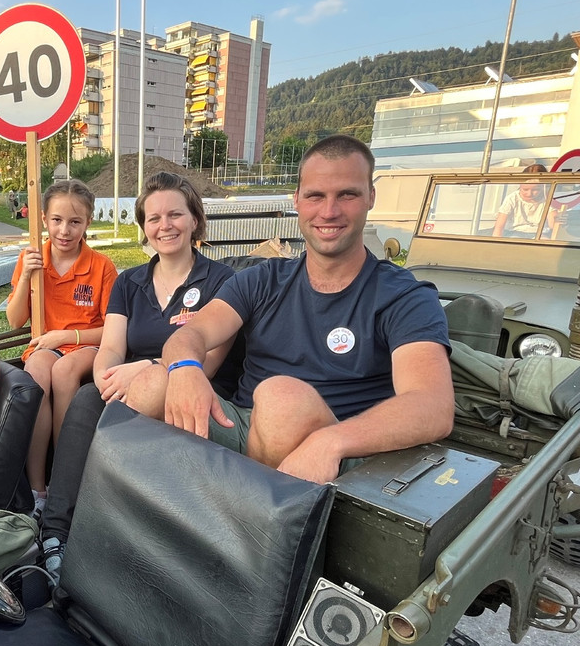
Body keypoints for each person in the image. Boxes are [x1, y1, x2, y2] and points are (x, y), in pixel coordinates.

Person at [156, 134, 455, 485]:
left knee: (281, 400)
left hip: (336, 451)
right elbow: (192, 333)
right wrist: (187, 368)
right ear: (297, 199)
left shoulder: (404, 295)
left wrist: (331, 441)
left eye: (347, 194)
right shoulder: (262, 279)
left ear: (370, 197)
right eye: (316, 196)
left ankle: (237, 525)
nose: (329, 211)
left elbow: (432, 405)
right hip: (243, 427)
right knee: (147, 381)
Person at [39, 172, 241, 580]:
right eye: (153, 218)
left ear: (195, 220)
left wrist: (148, 369)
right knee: (85, 400)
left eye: (174, 215)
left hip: (189, 386)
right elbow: (112, 346)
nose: (164, 226)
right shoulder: (131, 282)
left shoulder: (222, 280)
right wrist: (107, 377)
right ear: (143, 227)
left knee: (129, 412)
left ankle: (116, 539)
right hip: (128, 381)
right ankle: (55, 531)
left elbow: (210, 361)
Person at [5, 179, 117, 514]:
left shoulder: (101, 267)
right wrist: (26, 276)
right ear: (44, 219)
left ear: (88, 222)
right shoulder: (33, 259)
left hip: (85, 346)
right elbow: (14, 321)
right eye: (56, 220)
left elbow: (112, 330)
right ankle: (38, 488)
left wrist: (65, 337)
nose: (64, 231)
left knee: (64, 370)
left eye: (74, 222)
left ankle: (62, 480)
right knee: (37, 371)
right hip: (46, 346)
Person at [492, 164, 562, 238]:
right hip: (514, 232)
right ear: (520, 184)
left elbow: (552, 225)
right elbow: (499, 227)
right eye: (525, 189)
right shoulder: (512, 198)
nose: (529, 194)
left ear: (543, 186)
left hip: (540, 234)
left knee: (545, 244)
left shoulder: (548, 199)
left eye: (535, 190)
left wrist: (559, 217)